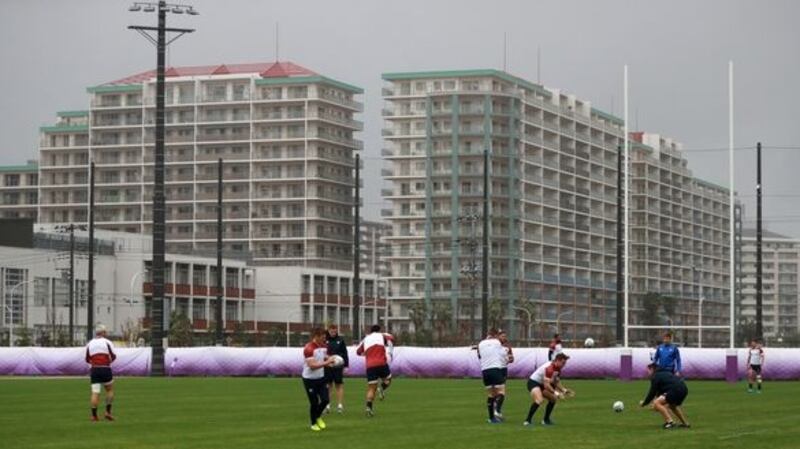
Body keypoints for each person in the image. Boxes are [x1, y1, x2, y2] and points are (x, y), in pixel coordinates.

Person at [302, 327, 337, 431]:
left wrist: (331, 360)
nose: (324, 338)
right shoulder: (309, 348)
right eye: (322, 336)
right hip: (309, 379)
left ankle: (317, 416)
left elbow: (325, 356)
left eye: (325, 336)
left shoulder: (324, 346)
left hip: (321, 378)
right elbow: (312, 366)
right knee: (314, 402)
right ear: (316, 336)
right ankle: (313, 424)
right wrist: (327, 363)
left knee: (326, 400)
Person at [356, 324, 394, 417]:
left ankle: (369, 408)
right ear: (379, 330)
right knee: (388, 379)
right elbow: (391, 338)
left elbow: (358, 352)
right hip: (381, 363)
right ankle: (382, 388)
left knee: (371, 388)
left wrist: (366, 355)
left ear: (370, 331)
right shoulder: (381, 335)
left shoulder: (366, 339)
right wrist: (390, 352)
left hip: (370, 366)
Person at [524, 353, 572, 427]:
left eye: (565, 363)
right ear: (557, 361)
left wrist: (564, 390)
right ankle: (527, 421)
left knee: (553, 399)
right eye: (563, 363)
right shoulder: (549, 368)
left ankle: (546, 420)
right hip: (533, 382)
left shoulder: (558, 368)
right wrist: (557, 393)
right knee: (539, 400)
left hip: (542, 384)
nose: (564, 365)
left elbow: (556, 381)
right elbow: (547, 385)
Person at [640, 362, 690, 429]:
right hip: (684, 389)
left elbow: (652, 392)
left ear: (652, 369)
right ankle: (685, 423)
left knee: (657, 402)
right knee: (672, 406)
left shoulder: (655, 376)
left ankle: (670, 422)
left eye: (648, 370)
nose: (647, 372)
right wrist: (656, 405)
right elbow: (659, 392)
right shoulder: (665, 373)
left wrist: (644, 403)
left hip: (674, 390)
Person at [85, 324, 116, 422]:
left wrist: (94, 363)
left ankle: (94, 416)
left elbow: (87, 359)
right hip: (105, 369)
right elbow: (113, 356)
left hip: (94, 370)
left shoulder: (89, 343)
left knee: (95, 393)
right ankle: (108, 412)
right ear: (103, 333)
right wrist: (108, 362)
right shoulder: (107, 342)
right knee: (109, 390)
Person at [477, 328, 507, 423]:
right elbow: (502, 345)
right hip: (495, 369)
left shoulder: (481, 344)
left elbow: (479, 356)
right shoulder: (497, 342)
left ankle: (491, 418)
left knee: (491, 394)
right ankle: (497, 411)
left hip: (485, 371)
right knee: (501, 391)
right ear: (496, 335)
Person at [324, 324, 349, 413]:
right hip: (328, 366)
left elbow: (345, 353)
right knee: (328, 386)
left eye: (335, 331)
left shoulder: (340, 340)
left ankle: (340, 405)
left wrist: (346, 366)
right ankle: (327, 405)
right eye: (331, 331)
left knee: (339, 385)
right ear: (328, 331)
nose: (333, 333)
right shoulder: (325, 340)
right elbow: (321, 353)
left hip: (338, 366)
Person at [495, 329, 514, 419]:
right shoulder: (494, 345)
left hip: (503, 369)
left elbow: (512, 358)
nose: (504, 338)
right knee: (498, 390)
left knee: (501, 390)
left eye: (505, 336)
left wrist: (510, 359)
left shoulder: (507, 346)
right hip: (495, 369)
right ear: (498, 336)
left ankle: (497, 409)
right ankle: (496, 410)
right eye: (502, 336)